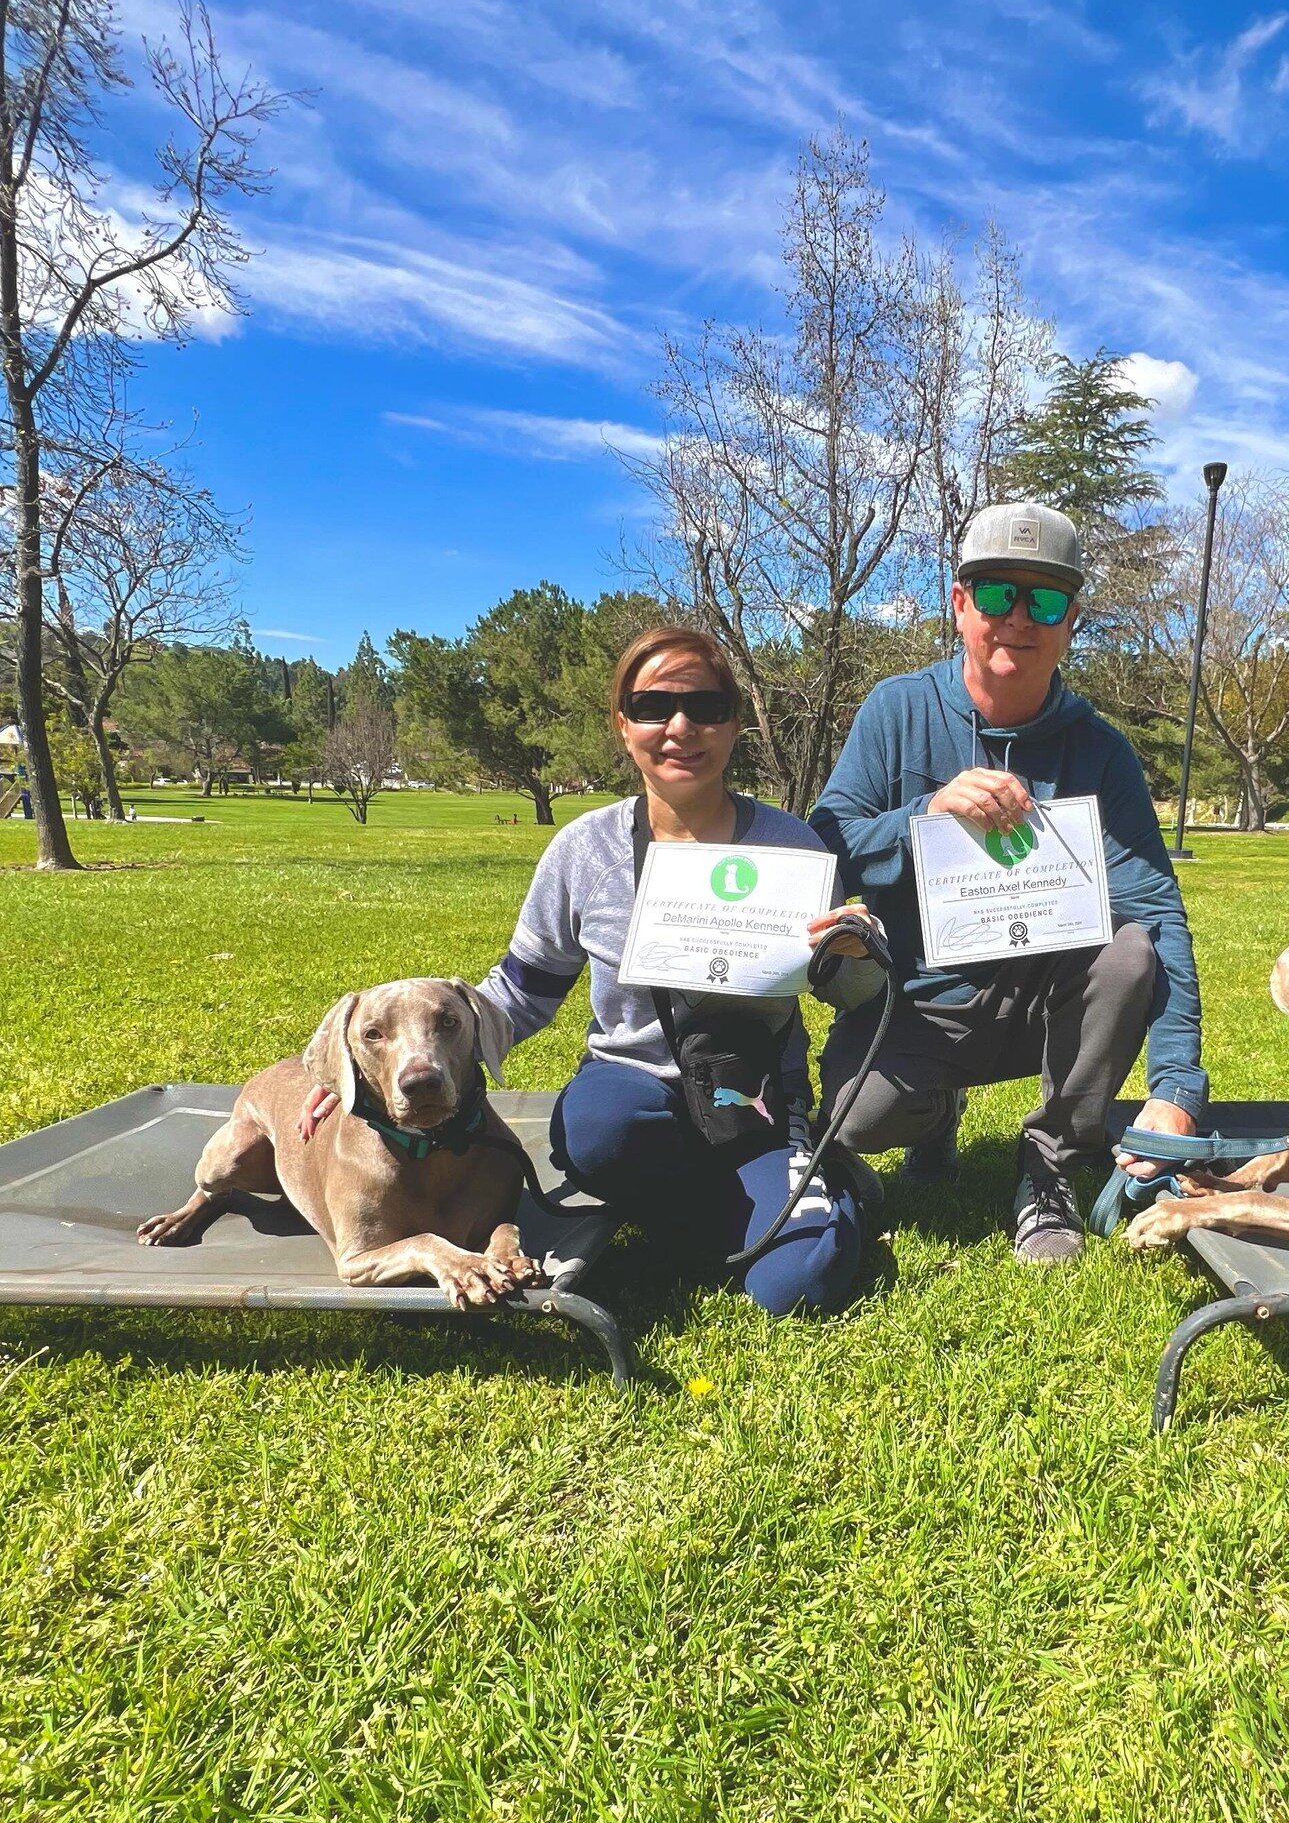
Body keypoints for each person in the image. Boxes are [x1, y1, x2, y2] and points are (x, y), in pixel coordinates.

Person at [304, 627, 884, 1317]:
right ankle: (731, 1204)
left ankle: (816, 1179)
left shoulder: (790, 845)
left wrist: (861, 954)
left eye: (704, 706)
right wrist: (361, 1070)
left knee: (797, 1287)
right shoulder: (585, 849)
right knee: (597, 1131)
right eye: (652, 706)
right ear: (622, 724)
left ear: (732, 723)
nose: (680, 727)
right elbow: (520, 993)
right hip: (634, 1097)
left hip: (751, 1100)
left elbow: (851, 993)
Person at [810, 501, 1206, 1266]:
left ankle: (1050, 1161)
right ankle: (934, 1114)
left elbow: (1156, 908)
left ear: (1071, 622)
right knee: (853, 1117)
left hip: (1046, 1000)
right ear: (959, 605)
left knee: (1129, 952)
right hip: (924, 998)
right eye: (996, 594)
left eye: (1046, 599)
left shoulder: (1101, 752)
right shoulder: (896, 711)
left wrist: (1178, 1085)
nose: (1018, 617)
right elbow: (826, 846)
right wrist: (924, 816)